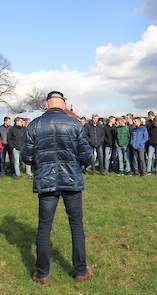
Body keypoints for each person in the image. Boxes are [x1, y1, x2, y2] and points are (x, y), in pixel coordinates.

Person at [21, 91, 93, 285]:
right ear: (63, 104)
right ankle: (80, 271)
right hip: (71, 181)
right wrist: (78, 165)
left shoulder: (34, 125)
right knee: (76, 226)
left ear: (46, 104)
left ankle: (41, 273)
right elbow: (87, 155)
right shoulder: (75, 124)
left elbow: (26, 156)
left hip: (46, 182)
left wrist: (39, 163)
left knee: (44, 227)